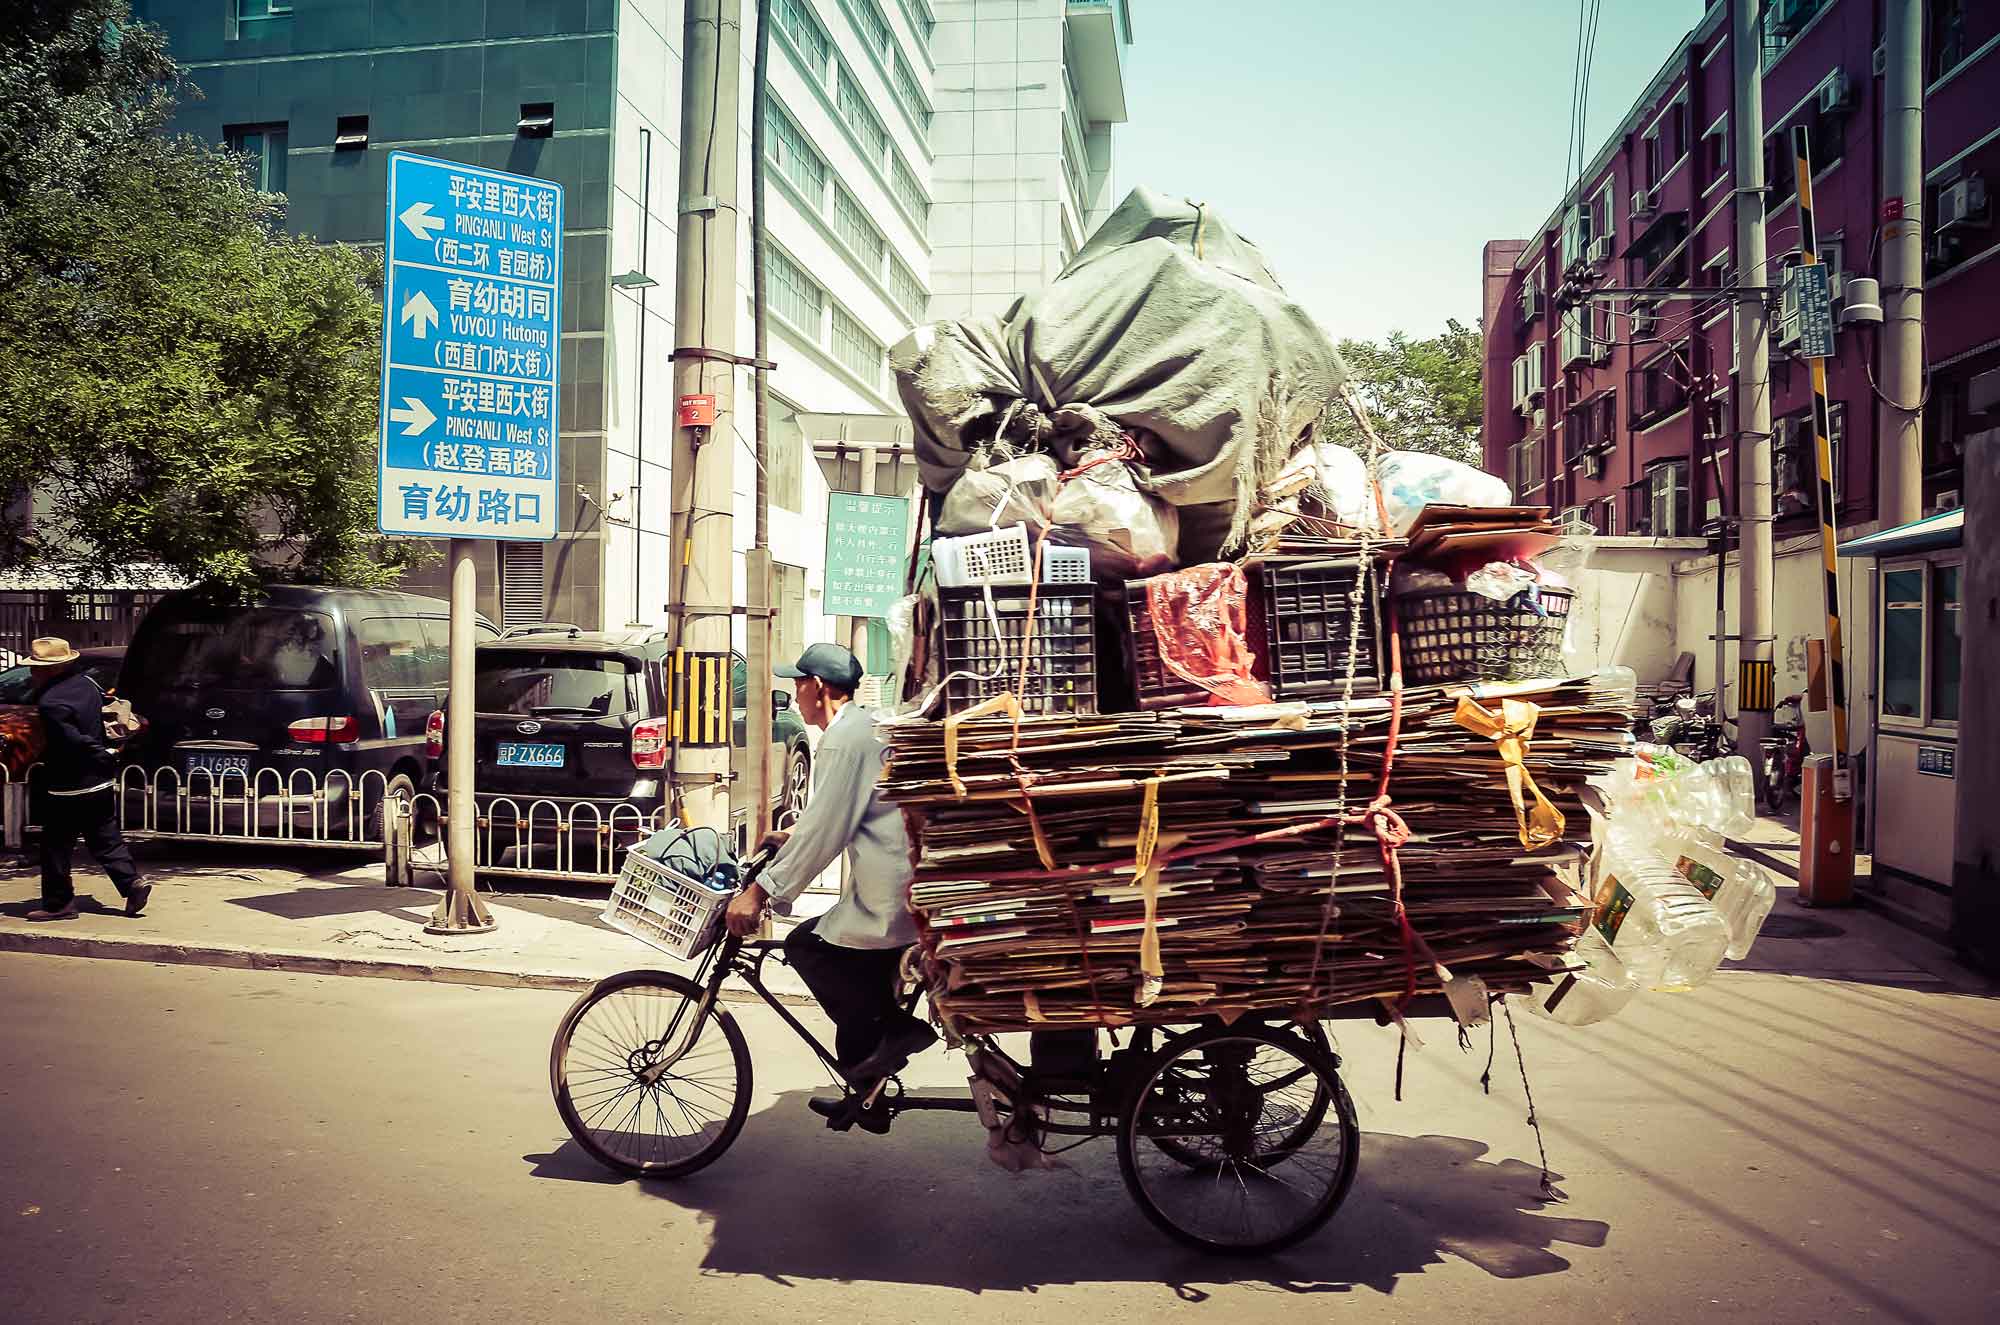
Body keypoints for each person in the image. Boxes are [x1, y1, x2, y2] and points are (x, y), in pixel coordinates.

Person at [724, 643, 934, 1118]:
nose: (794, 695)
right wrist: (793, 833)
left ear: (817, 688)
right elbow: (833, 812)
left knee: (806, 946)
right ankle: (866, 1095)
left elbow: (827, 831)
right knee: (858, 978)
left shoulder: (844, 739)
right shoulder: (860, 727)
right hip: (892, 881)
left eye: (797, 684)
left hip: (890, 893)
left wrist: (760, 892)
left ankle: (894, 1034)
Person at [21, 637, 149, 922]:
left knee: (55, 846)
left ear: (50, 670)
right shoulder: (87, 684)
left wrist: (103, 753)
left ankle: (59, 905)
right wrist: (110, 754)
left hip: (68, 784)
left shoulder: (51, 702)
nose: (32, 673)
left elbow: (72, 740)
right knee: (106, 838)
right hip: (99, 781)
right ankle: (131, 884)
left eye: (36, 668)